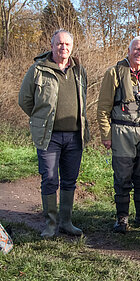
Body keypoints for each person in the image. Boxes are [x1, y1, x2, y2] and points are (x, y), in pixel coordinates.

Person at [18, 29, 89, 238]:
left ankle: (66, 222)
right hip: (49, 137)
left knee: (69, 180)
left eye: (67, 44)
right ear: (51, 46)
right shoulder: (38, 69)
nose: (63, 48)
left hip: (75, 136)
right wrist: (41, 119)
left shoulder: (79, 70)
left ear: (72, 47)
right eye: (59, 44)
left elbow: (82, 99)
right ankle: (50, 224)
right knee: (49, 178)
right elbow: (25, 100)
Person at [97, 36, 140, 233]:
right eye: (136, 49)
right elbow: (103, 107)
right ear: (128, 50)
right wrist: (106, 135)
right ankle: (122, 219)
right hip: (121, 130)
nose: (139, 53)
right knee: (123, 176)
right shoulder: (114, 72)